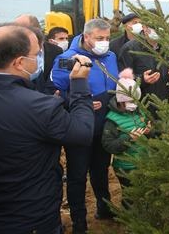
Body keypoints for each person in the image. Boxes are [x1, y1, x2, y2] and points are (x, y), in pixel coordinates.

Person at [0, 24, 95, 234]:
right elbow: (82, 132)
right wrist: (79, 85)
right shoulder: (40, 107)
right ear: (20, 62)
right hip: (29, 220)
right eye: (36, 54)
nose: (40, 58)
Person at [52, 18, 119, 233]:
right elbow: (56, 90)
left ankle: (104, 207)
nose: (104, 42)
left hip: (104, 125)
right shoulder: (67, 59)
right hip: (79, 126)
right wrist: (82, 101)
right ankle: (79, 221)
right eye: (100, 38)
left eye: (108, 38)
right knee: (77, 175)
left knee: (101, 169)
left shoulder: (111, 56)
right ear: (86, 36)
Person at [101, 69, 152, 208]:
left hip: (143, 161)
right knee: (130, 195)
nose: (132, 105)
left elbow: (146, 125)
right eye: (129, 101)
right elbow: (108, 145)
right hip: (126, 167)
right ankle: (129, 218)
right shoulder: (112, 120)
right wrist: (128, 138)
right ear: (121, 99)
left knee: (144, 194)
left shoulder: (139, 111)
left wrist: (148, 130)